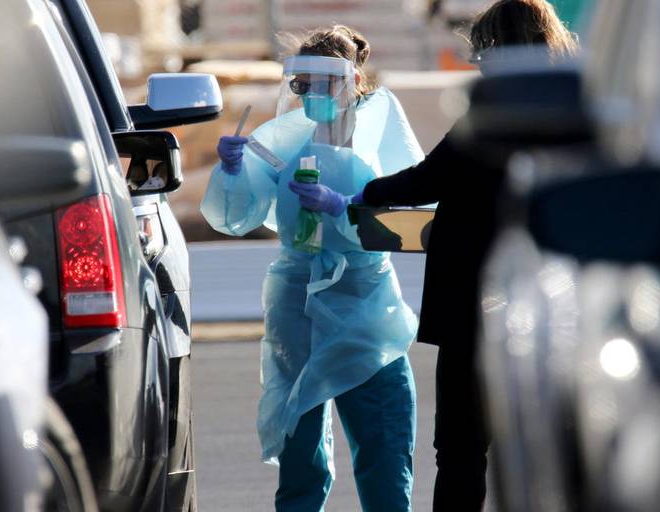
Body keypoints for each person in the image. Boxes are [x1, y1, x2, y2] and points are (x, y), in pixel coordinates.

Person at [348, 1, 578, 510]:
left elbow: (427, 178)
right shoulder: (573, 112)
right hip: (553, 310)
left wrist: (361, 194)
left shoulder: (493, 115)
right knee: (551, 449)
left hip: (474, 308)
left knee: (461, 449)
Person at [201, 25, 425, 512]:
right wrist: (233, 172)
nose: (306, 95)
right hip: (298, 297)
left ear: (349, 81)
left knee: (383, 445)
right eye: (298, 85)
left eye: (317, 84)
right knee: (300, 446)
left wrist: (345, 207)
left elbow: (412, 211)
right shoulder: (288, 138)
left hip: (363, 302)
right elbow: (236, 215)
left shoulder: (378, 130)